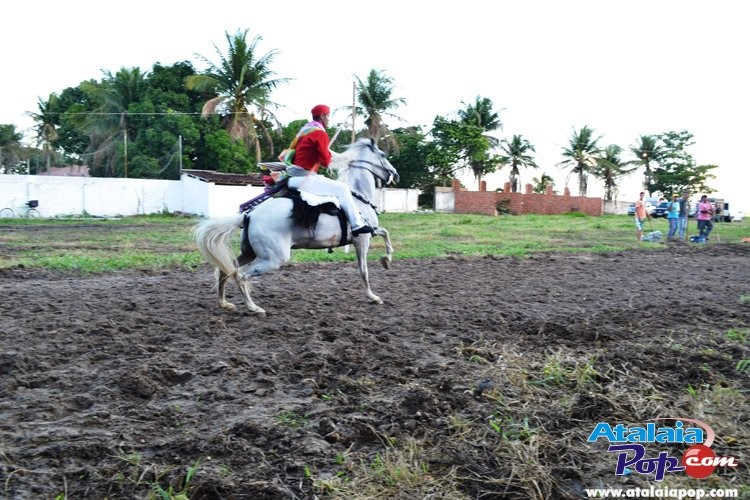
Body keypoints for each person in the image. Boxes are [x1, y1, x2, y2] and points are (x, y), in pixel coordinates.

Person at [281, 104, 375, 236]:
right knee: (343, 189)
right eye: (328, 116)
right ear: (322, 116)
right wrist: (333, 156)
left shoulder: (305, 131)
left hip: (294, 178)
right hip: (305, 179)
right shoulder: (320, 134)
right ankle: (356, 225)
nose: (329, 120)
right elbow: (325, 162)